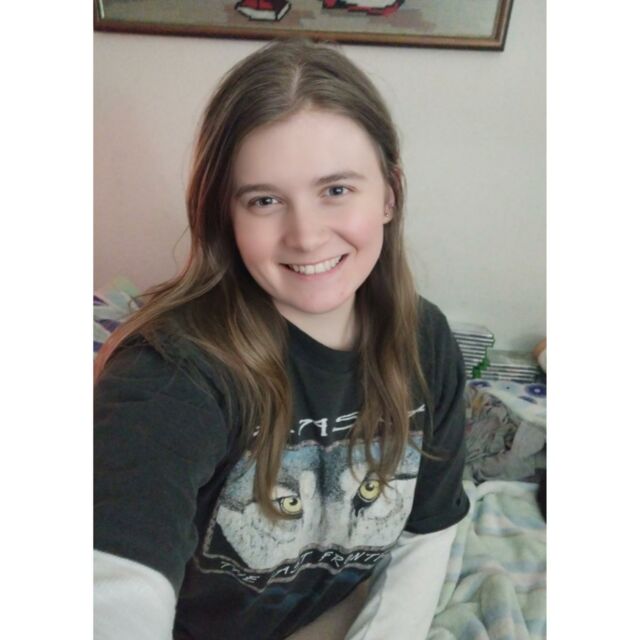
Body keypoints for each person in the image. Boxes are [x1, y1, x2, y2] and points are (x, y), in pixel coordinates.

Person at [94, 37, 469, 640]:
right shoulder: (168, 374)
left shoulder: (427, 341)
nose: (306, 235)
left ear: (389, 195)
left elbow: (426, 533)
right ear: (227, 215)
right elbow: (111, 583)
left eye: (336, 190)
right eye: (265, 200)